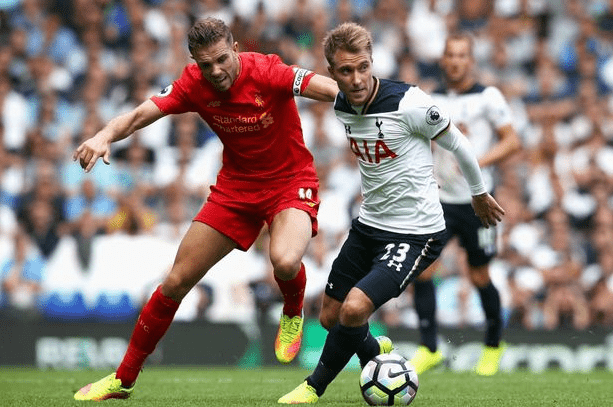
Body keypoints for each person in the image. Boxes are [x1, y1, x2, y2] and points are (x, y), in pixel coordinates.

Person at [73, 17, 339, 401]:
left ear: (234, 48)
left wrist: (360, 95)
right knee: (176, 281)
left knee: (283, 261)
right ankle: (123, 378)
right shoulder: (193, 83)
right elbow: (140, 114)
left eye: (221, 60)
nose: (215, 71)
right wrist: (103, 135)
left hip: (289, 182)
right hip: (236, 189)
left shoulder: (267, 70)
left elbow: (323, 86)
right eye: (205, 64)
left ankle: (293, 308)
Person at [278, 22, 505, 404]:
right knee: (331, 317)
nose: (356, 78)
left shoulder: (409, 103)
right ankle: (376, 354)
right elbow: (290, 80)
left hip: (416, 233)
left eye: (363, 67)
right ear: (332, 72)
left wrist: (478, 193)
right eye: (345, 71)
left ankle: (313, 386)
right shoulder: (339, 104)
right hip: (369, 225)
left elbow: (459, 143)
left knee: (354, 308)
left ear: (372, 62)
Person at [408, 32, 521, 377]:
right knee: (422, 270)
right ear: (443, 59)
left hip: (478, 201)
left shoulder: (488, 97)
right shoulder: (429, 98)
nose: (455, 61)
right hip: (440, 201)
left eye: (461, 55)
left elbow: (512, 140)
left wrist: (478, 163)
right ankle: (429, 349)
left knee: (479, 274)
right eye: (450, 55)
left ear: (471, 60)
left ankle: (493, 346)